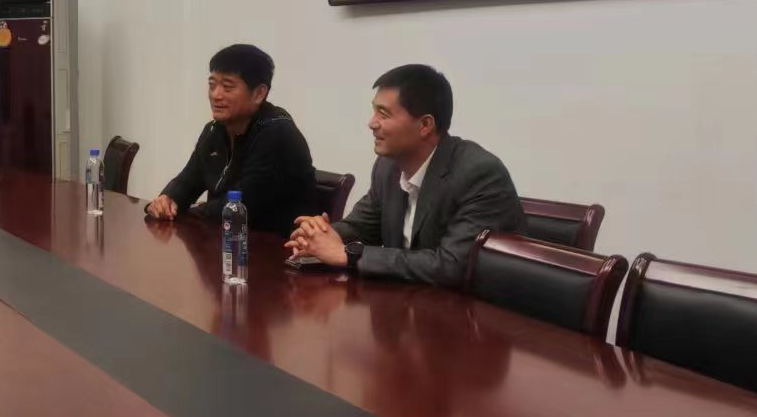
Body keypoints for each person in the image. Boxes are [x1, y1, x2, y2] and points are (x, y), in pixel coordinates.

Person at [286, 64, 524, 286]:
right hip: (406, 302)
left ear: (425, 125)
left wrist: (348, 255)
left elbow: (451, 266)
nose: (372, 123)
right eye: (374, 111)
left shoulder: (479, 173)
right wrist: (323, 235)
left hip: (468, 311)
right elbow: (361, 227)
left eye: (384, 114)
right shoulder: (387, 167)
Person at [145, 44, 317, 233]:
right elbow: (188, 180)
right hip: (226, 239)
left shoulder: (277, 132)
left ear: (258, 94)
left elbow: (240, 206)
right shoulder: (214, 130)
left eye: (227, 87)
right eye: (212, 85)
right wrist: (168, 200)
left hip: (274, 245)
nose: (215, 95)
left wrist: (193, 211)